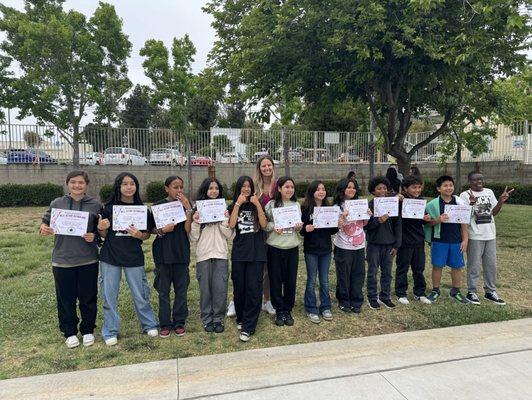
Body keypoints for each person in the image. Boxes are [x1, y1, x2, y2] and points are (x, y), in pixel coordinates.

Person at [40, 171, 102, 348]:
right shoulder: (57, 203)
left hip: (88, 260)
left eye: (81, 182)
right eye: (73, 182)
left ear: (86, 185)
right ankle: (69, 332)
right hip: (62, 260)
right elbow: (44, 222)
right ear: (67, 184)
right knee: (65, 298)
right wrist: (44, 228)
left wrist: (94, 236)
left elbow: (101, 232)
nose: (77, 185)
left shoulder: (95, 205)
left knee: (88, 297)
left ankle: (88, 329)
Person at [97, 172, 158, 346]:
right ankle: (110, 330)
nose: (129, 187)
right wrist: (101, 228)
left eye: (132, 183)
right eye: (125, 184)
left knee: (140, 294)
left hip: (133, 257)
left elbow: (146, 235)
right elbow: (102, 235)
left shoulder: (142, 209)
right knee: (109, 296)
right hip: (110, 257)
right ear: (118, 186)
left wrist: (139, 234)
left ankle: (149, 324)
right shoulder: (108, 208)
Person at [459, 171, 513, 305]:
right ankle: (472, 291)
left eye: (481, 179)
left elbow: (494, 212)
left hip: (490, 234)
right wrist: (471, 204)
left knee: (491, 265)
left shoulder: (489, 192)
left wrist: (500, 201)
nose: (479, 182)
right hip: (475, 235)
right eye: (475, 180)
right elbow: (463, 216)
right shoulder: (464, 195)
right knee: (474, 265)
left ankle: (490, 291)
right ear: (469, 181)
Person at [151, 176, 193, 338]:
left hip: (181, 252)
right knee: (163, 291)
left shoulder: (185, 205)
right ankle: (165, 323)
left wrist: (188, 208)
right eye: (175, 187)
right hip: (163, 253)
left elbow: (188, 229)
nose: (179, 190)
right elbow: (151, 230)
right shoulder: (158, 206)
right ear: (166, 188)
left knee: (181, 290)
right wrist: (162, 230)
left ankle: (179, 321)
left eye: (181, 187)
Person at [228, 176, 268, 342]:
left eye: (248, 186)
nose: (246, 189)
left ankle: (248, 326)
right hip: (239, 253)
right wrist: (238, 204)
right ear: (239, 188)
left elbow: (264, 225)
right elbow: (231, 225)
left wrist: (257, 204)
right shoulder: (233, 206)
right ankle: (241, 317)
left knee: (253, 288)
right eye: (243, 186)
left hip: (257, 253)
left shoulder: (256, 204)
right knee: (240, 287)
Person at [190, 178, 232, 333]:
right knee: (205, 289)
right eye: (210, 188)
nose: (213, 191)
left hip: (221, 254)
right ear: (205, 191)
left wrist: (223, 220)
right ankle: (207, 318)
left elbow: (230, 235)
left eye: (216, 188)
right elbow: (193, 238)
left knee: (220, 288)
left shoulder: (224, 208)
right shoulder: (198, 209)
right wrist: (195, 222)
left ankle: (218, 318)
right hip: (204, 255)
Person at [424, 175, 469, 304]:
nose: (449, 188)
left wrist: (465, 240)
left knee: (457, 266)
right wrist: (437, 220)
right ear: (438, 189)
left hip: (456, 240)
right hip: (439, 240)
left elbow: (464, 223)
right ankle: (435, 290)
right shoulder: (432, 204)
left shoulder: (459, 202)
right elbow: (427, 224)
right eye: (445, 186)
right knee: (437, 266)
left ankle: (455, 291)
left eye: (451, 185)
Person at [265, 176, 303, 327]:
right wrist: (272, 226)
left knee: (290, 280)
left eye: (292, 187)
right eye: (286, 187)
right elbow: (264, 224)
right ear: (279, 189)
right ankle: (278, 310)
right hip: (275, 247)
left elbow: (297, 227)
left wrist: (299, 226)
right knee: (275, 279)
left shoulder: (296, 205)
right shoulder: (271, 205)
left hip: (292, 247)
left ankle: (288, 309)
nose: (290, 189)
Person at [300, 180, 337, 324]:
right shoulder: (305, 209)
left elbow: (332, 230)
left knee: (325, 281)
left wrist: (338, 224)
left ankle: (325, 306)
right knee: (311, 280)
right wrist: (305, 229)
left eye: (323, 189)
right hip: (311, 250)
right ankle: (311, 307)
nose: (321, 192)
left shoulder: (329, 208)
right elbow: (301, 231)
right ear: (312, 192)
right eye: (318, 189)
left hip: (326, 250)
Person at [332, 178, 370, 314]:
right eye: (348, 187)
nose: (352, 190)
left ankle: (356, 300)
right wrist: (342, 217)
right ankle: (343, 300)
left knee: (358, 273)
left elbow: (363, 224)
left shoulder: (359, 204)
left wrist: (367, 216)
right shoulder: (337, 207)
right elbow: (334, 227)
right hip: (343, 246)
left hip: (359, 246)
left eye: (354, 187)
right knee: (344, 274)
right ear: (342, 189)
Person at [365, 176, 402, 309]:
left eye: (384, 188)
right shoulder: (369, 205)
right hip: (374, 244)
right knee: (372, 271)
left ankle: (385, 296)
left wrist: (396, 244)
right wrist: (378, 221)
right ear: (373, 191)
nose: (382, 190)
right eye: (379, 188)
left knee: (387, 272)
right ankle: (372, 297)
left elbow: (398, 225)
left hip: (389, 244)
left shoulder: (392, 203)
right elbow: (366, 226)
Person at [395, 175, 432, 305]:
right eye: (414, 187)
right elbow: (387, 204)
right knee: (402, 268)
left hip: (418, 240)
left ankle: (420, 292)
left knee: (419, 268)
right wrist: (396, 198)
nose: (417, 190)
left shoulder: (421, 201)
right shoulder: (400, 200)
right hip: (404, 241)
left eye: (419, 187)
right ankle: (400, 293)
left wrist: (426, 218)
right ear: (405, 188)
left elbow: (424, 219)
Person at [255, 155, 277, 315]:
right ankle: (254, 298)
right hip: (257, 232)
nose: (267, 168)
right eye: (264, 166)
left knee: (270, 268)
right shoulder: (255, 186)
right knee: (258, 268)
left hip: (275, 231)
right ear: (259, 168)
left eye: (269, 165)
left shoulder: (277, 185)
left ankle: (268, 300)